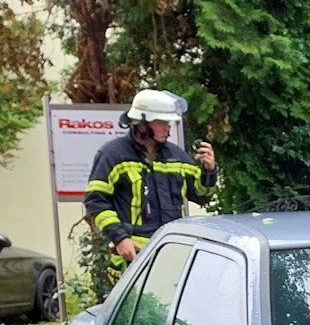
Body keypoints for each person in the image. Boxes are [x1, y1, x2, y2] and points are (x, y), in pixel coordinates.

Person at [85, 89, 217, 267]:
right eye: (161, 121)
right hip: (134, 259)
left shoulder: (178, 156)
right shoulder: (112, 155)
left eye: (168, 121)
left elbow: (202, 196)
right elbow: (96, 202)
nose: (167, 127)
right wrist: (120, 238)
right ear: (141, 123)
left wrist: (209, 171)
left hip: (174, 253)